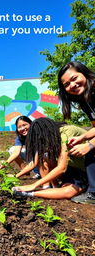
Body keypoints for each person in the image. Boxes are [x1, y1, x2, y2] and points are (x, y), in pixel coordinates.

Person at [12, 118, 95, 201]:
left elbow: (62, 168)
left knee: (69, 191)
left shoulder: (66, 133)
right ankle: (49, 187)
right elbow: (35, 161)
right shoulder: (50, 137)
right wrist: (16, 176)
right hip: (73, 168)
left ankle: (30, 193)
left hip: (87, 169)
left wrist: (34, 185)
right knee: (44, 158)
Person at [58, 61, 95, 203]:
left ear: (84, 73)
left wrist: (89, 145)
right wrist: (83, 138)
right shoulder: (86, 101)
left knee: (91, 150)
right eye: (66, 84)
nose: (72, 85)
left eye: (74, 79)